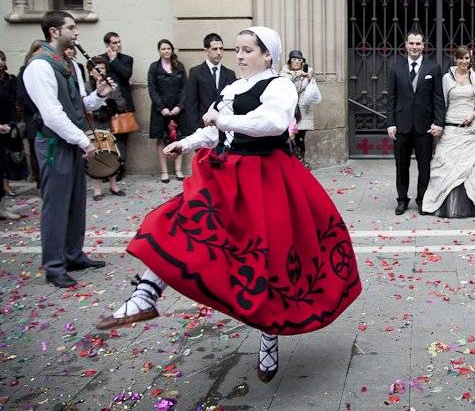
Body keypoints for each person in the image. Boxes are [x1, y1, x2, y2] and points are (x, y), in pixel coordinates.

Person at [95, 27, 361, 384]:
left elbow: (272, 123)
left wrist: (223, 120)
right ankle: (146, 295)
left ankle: (269, 336)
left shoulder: (278, 85)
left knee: (270, 261)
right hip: (227, 176)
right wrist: (186, 143)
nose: (239, 56)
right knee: (182, 222)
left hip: (267, 179)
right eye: (237, 49)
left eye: (247, 50)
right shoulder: (231, 88)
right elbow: (215, 131)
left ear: (268, 55)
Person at [22, 10, 114, 288]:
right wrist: (83, 140)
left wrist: (99, 95)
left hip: (72, 142)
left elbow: (79, 105)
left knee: (76, 201)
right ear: (54, 31)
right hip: (53, 144)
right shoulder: (39, 66)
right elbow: (51, 114)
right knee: (56, 205)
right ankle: (54, 265)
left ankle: (74, 255)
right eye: (71, 28)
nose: (76, 33)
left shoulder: (71, 65)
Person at [422, 46, 475, 217]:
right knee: (448, 167)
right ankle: (442, 203)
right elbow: (441, 103)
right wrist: (438, 124)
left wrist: (473, 114)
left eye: (467, 58)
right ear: (455, 59)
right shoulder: (446, 78)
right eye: (461, 58)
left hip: (471, 130)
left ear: (470, 59)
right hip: (451, 129)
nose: (464, 61)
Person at [386, 29, 446, 215]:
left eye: (418, 43)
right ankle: (402, 200)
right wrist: (390, 123)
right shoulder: (395, 67)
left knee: (424, 166)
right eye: (411, 43)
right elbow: (391, 98)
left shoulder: (433, 68)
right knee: (401, 165)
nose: (414, 47)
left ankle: (422, 200)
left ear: (423, 46)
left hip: (424, 126)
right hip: (402, 125)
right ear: (406, 45)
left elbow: (438, 98)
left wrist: (439, 122)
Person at [86, 56, 127, 200]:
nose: (100, 71)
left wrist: (111, 98)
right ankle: (97, 189)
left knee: (112, 153)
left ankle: (113, 185)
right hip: (93, 124)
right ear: (91, 71)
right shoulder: (86, 86)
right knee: (96, 155)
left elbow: (122, 103)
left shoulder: (111, 84)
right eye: (97, 69)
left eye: (103, 68)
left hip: (108, 123)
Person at [147, 39, 188, 183]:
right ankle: (164, 171)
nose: (166, 51)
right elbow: (152, 89)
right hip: (160, 111)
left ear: (172, 50)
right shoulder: (154, 67)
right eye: (163, 49)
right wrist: (162, 107)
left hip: (178, 109)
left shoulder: (179, 66)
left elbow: (184, 88)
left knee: (179, 138)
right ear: (159, 51)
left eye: (168, 48)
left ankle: (178, 170)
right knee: (161, 140)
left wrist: (179, 106)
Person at [183, 33, 236, 131]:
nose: (219, 52)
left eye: (221, 48)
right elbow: (191, 103)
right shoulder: (195, 72)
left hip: (224, 128)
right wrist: (195, 129)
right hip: (202, 127)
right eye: (215, 49)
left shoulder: (230, 74)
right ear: (206, 51)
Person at [99, 32, 135, 180]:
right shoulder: (100, 59)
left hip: (122, 105)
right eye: (114, 43)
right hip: (105, 105)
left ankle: (119, 168)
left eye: (119, 42)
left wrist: (114, 60)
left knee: (121, 139)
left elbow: (126, 74)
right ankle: (107, 169)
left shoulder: (126, 59)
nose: (118, 45)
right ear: (107, 44)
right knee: (105, 138)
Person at [281, 49, 321, 164]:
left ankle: (301, 161)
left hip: (304, 110)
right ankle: (293, 161)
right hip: (290, 110)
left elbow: (310, 87)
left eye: (299, 60)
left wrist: (308, 77)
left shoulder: (308, 71)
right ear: (290, 61)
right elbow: (286, 86)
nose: (297, 62)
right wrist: (296, 76)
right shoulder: (284, 73)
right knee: (290, 136)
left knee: (301, 137)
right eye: (294, 59)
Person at [16, 40, 43, 189]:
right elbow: (22, 95)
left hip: (47, 115)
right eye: (37, 51)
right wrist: (39, 109)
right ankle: (39, 182)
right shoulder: (24, 70)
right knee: (35, 150)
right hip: (33, 115)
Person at [0, 50, 20, 219]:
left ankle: (2, 207)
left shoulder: (9, 80)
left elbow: (14, 103)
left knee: (6, 165)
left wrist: (11, 124)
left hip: (7, 126)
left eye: (2, 59)